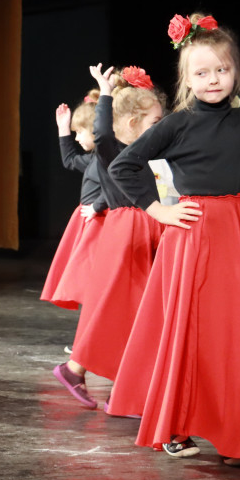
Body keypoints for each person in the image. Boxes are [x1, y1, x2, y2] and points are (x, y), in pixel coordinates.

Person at [106, 11, 240, 467]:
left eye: (222, 69)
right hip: (195, 236)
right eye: (202, 72)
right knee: (191, 335)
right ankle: (180, 424)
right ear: (187, 78)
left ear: (236, 73)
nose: (213, 79)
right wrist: (158, 210)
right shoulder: (177, 124)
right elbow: (123, 165)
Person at [53, 65, 164, 407]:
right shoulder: (114, 150)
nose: (160, 130)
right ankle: (100, 379)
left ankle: (111, 383)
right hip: (127, 233)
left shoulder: (138, 154)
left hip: (138, 230)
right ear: (131, 124)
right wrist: (105, 94)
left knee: (130, 313)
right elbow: (101, 133)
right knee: (128, 311)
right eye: (154, 123)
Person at [40, 96, 107, 315]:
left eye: (80, 132)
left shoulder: (108, 160)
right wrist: (63, 129)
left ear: (95, 132)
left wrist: (97, 205)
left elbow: (116, 185)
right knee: (86, 279)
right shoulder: (93, 159)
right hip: (88, 221)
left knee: (92, 278)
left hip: (99, 224)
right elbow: (69, 159)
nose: (77, 138)